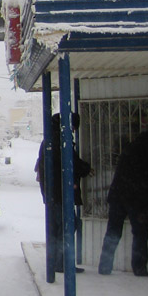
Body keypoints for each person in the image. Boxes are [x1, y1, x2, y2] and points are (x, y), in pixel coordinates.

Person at [35, 113, 92, 273]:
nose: (73, 131)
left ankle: (56, 262)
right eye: (73, 128)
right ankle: (61, 263)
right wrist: (85, 169)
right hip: (59, 193)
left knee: (58, 227)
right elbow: (68, 163)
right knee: (67, 225)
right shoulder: (60, 141)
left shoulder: (51, 138)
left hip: (53, 193)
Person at [97, 130, 148, 276]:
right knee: (140, 233)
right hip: (136, 200)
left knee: (113, 232)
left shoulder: (129, 149)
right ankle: (139, 268)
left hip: (118, 196)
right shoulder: (146, 152)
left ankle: (105, 266)